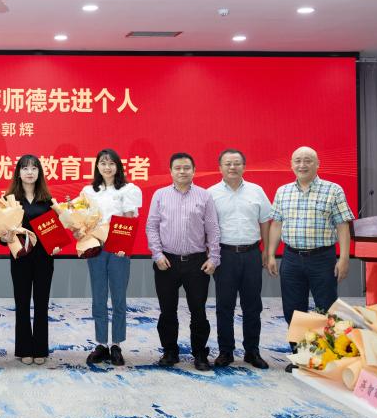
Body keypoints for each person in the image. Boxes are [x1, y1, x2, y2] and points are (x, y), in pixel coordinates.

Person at [266, 146, 354, 353]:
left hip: (322, 258)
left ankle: (328, 355)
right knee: (293, 309)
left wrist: (344, 258)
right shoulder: (283, 191)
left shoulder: (333, 190)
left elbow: (342, 225)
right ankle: (301, 355)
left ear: (317, 164)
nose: (302, 165)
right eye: (297, 160)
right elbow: (276, 224)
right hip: (291, 258)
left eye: (307, 160)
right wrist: (270, 254)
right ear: (291, 164)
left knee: (326, 308)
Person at [145, 152, 220, 371]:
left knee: (198, 310)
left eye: (186, 168)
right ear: (170, 171)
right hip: (166, 261)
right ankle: (170, 351)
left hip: (197, 262)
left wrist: (214, 258)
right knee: (167, 310)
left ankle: (200, 353)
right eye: (177, 168)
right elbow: (152, 226)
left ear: (194, 171)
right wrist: (157, 254)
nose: (182, 171)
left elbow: (213, 228)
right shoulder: (160, 195)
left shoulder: (204, 196)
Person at [208, 149, 273, 369]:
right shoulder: (211, 194)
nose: (232, 167)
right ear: (220, 167)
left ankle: (252, 351)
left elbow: (265, 221)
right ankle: (225, 352)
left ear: (244, 166)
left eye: (237, 163)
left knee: (252, 305)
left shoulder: (256, 191)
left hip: (252, 254)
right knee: (224, 305)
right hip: (224, 255)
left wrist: (266, 251)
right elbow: (207, 227)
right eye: (228, 164)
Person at [80, 148, 142, 367]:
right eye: (103, 163)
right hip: (95, 246)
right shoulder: (88, 191)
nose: (107, 167)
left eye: (111, 163)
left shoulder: (128, 189)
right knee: (98, 296)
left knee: (118, 297)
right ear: (97, 166)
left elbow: (129, 219)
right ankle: (101, 344)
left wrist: (124, 245)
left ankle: (116, 344)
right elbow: (82, 219)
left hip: (118, 247)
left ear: (118, 166)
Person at [3, 154, 56, 365]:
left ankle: (40, 349)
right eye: (25, 168)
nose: (30, 172)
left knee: (42, 304)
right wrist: (4, 237)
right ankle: (24, 348)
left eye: (34, 168)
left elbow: (55, 231)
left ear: (39, 172)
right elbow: (1, 233)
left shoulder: (48, 201)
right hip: (20, 259)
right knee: (22, 303)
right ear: (18, 173)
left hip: (44, 259)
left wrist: (57, 243)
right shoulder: (10, 200)